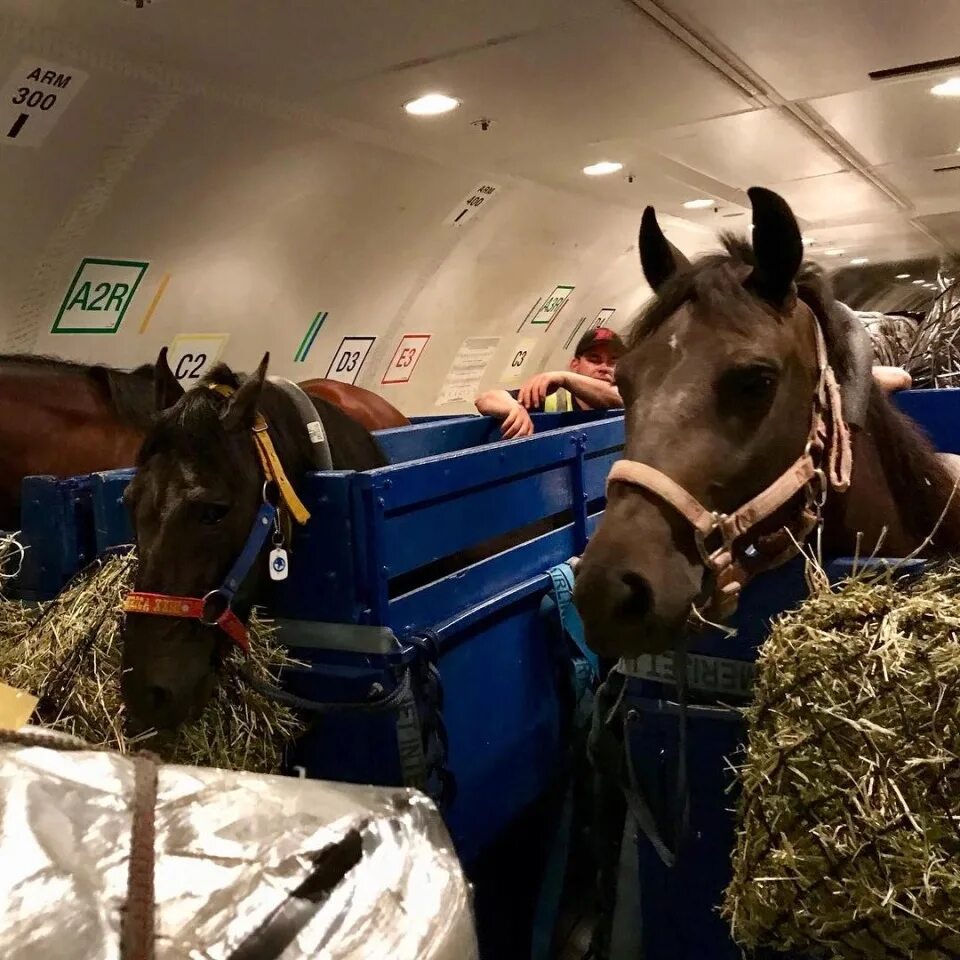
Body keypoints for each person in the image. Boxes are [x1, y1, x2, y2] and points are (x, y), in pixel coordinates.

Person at [475, 327, 625, 438]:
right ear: (575, 364)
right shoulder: (550, 399)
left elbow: (618, 398)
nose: (604, 368)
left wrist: (564, 378)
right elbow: (484, 400)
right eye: (594, 360)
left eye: (613, 361)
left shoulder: (632, 398)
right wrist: (514, 408)